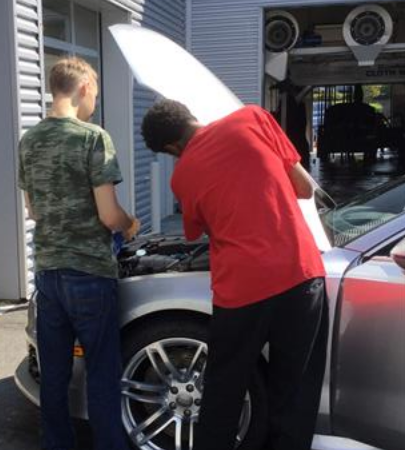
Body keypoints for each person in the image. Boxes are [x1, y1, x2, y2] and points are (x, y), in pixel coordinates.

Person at [141, 100, 328, 450]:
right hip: (299, 275)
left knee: (224, 388)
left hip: (242, 290)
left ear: (172, 147)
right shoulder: (252, 117)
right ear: (190, 115)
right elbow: (305, 188)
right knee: (295, 391)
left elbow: (198, 230)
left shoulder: (182, 176)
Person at [18, 57, 139, 450]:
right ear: (84, 87)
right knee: (102, 372)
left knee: (54, 375)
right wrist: (129, 223)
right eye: (95, 95)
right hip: (89, 272)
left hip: (48, 273)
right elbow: (108, 215)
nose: (94, 104)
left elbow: (33, 211)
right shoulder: (93, 137)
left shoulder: (29, 141)